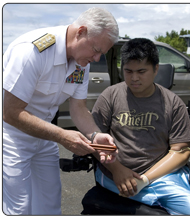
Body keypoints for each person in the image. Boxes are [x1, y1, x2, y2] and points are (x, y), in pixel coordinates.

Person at [3, 7, 119, 215]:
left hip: (45, 134)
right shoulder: (32, 51)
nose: (96, 58)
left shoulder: (82, 61)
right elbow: (10, 112)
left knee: (50, 203)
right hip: (11, 136)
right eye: (96, 50)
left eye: (102, 53)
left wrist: (96, 136)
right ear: (81, 31)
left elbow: (78, 108)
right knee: (18, 208)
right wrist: (62, 135)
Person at [91, 38, 190, 215]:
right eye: (128, 71)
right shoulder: (110, 96)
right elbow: (93, 138)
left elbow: (181, 150)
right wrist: (117, 169)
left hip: (161, 177)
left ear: (156, 69)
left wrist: (144, 180)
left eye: (141, 71)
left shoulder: (172, 102)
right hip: (114, 174)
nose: (134, 78)